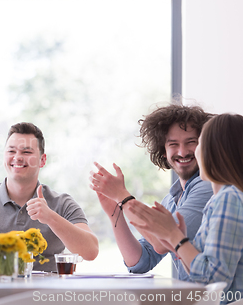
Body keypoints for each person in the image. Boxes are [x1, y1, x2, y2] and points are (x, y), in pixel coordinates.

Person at [0, 122, 98, 272]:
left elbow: (91, 251)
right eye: (11, 151)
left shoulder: (63, 203)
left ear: (42, 160)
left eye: (26, 152)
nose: (17, 157)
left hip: (48, 295)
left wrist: (50, 217)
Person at [89, 104, 213, 280]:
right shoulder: (171, 200)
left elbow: (163, 242)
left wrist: (122, 197)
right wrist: (115, 211)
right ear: (163, 151)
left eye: (190, 142)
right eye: (173, 144)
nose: (182, 151)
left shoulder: (208, 187)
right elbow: (140, 261)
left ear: (204, 146)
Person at [128, 113, 243, 304]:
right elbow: (200, 278)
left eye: (198, 144)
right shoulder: (221, 199)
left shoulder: (228, 199)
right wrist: (178, 243)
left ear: (215, 152)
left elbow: (215, 283)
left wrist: (175, 237)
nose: (190, 153)